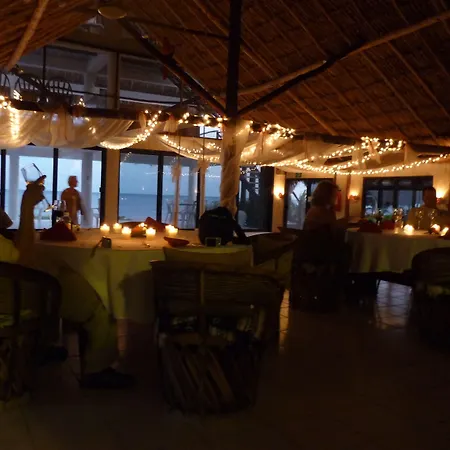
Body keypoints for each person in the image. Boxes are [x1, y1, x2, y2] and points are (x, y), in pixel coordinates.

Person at [0, 177, 133, 389]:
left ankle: (43, 345)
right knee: (98, 298)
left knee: (62, 271)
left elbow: (7, 229)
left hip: (15, 285)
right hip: (12, 294)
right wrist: (27, 206)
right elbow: (22, 259)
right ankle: (97, 369)